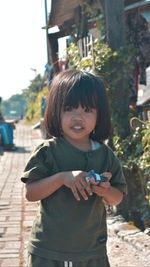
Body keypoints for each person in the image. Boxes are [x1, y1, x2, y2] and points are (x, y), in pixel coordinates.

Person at [21, 70, 127, 267]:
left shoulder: (106, 156)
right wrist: (62, 178)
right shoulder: (48, 151)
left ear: (99, 114)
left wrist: (105, 190)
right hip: (48, 251)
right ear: (55, 111)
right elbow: (31, 193)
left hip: (91, 252)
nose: (78, 117)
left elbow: (117, 197)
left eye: (88, 110)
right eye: (69, 109)